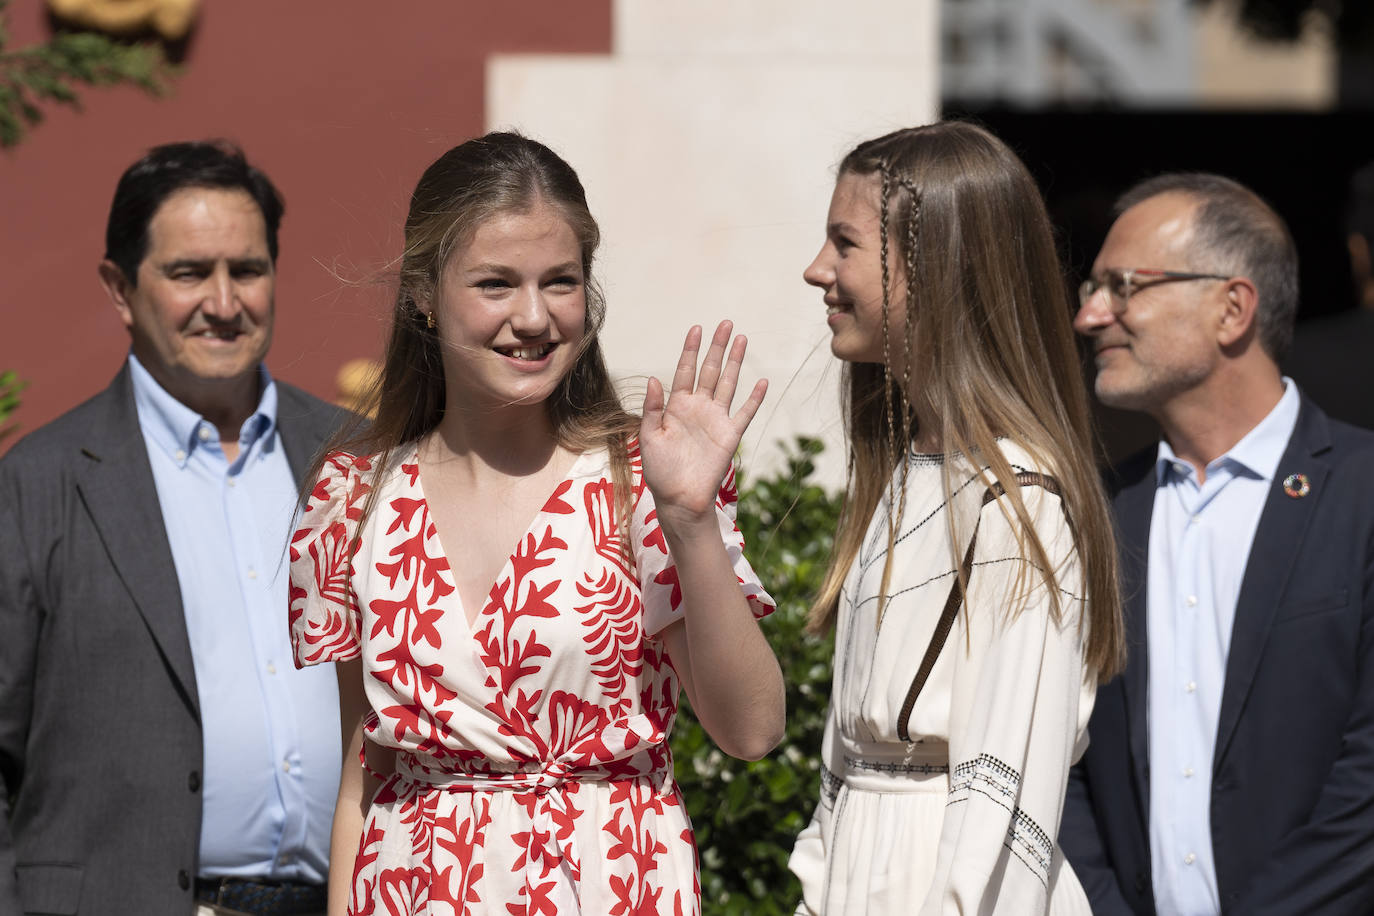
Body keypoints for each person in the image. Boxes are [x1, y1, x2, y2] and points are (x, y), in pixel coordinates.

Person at [286, 131, 785, 916]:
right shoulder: (351, 498)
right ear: (423, 291)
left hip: (610, 885)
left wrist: (688, 520)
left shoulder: (642, 482)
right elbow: (364, 769)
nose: (533, 317)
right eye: (495, 283)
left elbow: (753, 730)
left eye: (561, 281)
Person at [0, 141, 347, 916]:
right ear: (120, 288)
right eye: (189, 273)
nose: (224, 304)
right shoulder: (40, 483)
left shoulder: (354, 458)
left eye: (248, 271)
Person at [786, 121, 1123, 914]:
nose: (817, 271)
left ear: (935, 267)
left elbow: (1006, 800)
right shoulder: (901, 478)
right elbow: (840, 781)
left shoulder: (1021, 500)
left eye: (844, 243)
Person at [1060, 173, 1374, 915]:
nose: (1090, 315)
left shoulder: (1360, 496)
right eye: (1090, 288)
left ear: (1232, 308)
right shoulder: (1089, 515)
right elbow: (1058, 758)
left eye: (1123, 285)